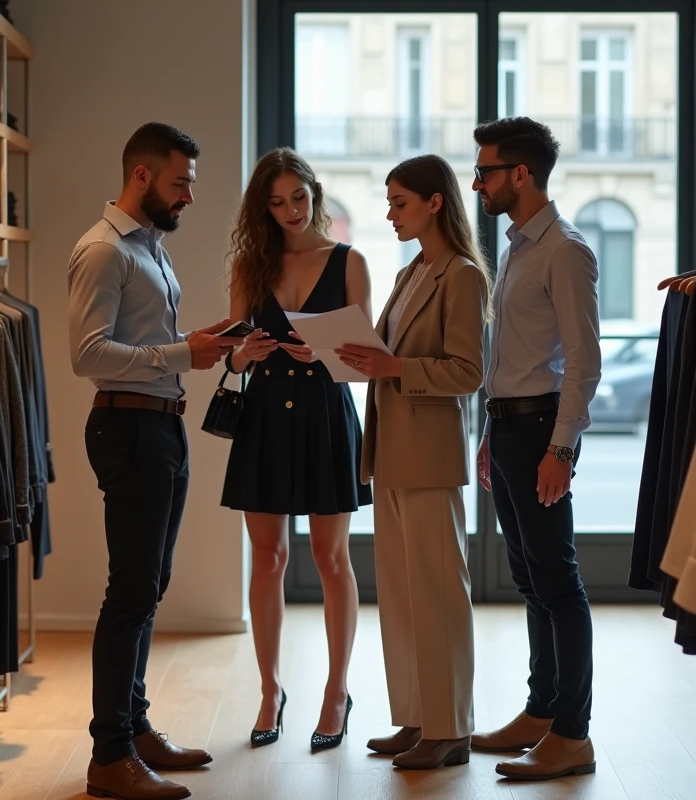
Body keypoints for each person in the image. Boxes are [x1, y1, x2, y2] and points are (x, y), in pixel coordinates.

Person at [68, 122, 244, 800]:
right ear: (141, 176)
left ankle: (134, 729)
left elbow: (148, 341)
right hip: (128, 430)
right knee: (130, 592)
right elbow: (87, 356)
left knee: (149, 587)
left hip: (162, 429)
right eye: (181, 184)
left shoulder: (149, 249)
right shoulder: (103, 251)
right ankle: (108, 755)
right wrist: (180, 353)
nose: (189, 198)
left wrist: (205, 344)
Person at [337, 154, 489, 770]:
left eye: (400, 202)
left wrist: (394, 368)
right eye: (388, 203)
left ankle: (450, 728)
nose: (391, 213)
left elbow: (468, 372)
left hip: (429, 455)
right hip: (393, 452)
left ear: (433, 202)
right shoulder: (409, 275)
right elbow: (379, 352)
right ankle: (418, 718)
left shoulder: (462, 276)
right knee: (400, 596)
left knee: (438, 593)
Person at [220, 147, 373, 752]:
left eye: (298, 198)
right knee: (267, 557)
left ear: (315, 193)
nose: (289, 211)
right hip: (264, 414)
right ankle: (269, 690)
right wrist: (245, 353)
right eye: (276, 202)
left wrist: (329, 354)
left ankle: (337, 692)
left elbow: (366, 359)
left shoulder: (350, 261)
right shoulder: (248, 266)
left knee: (332, 559)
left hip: (325, 412)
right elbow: (229, 354)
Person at [469, 117, 602, 781]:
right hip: (510, 429)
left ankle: (572, 734)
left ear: (520, 174)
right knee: (529, 578)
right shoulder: (520, 248)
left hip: (543, 430)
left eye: (486, 170)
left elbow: (584, 361)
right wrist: (491, 434)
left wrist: (563, 449)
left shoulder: (565, 251)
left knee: (557, 581)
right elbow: (510, 356)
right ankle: (541, 711)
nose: (477, 182)